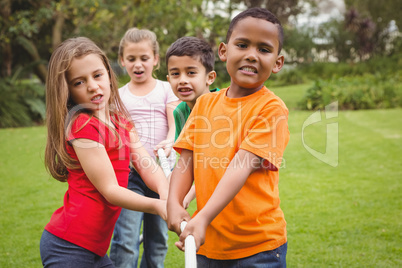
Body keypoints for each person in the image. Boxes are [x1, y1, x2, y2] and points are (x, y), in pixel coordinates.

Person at [167, 7, 289, 267]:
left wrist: (201, 218)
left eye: (264, 50)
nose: (252, 55)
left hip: (257, 248)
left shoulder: (271, 108)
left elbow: (241, 166)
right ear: (224, 51)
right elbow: (185, 162)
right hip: (207, 243)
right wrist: (174, 203)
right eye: (242, 45)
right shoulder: (204, 105)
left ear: (278, 62)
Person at [40, 37, 169, 268]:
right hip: (68, 246)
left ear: (109, 75)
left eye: (97, 75)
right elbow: (110, 190)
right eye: (79, 82)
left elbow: (145, 163)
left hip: (95, 250)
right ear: (67, 90)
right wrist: (158, 206)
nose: (92, 86)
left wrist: (167, 193)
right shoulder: (81, 125)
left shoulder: (121, 121)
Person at [110, 28, 179, 268]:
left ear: (156, 60)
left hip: (162, 173)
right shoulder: (117, 96)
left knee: (158, 239)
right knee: (126, 239)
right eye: (131, 59)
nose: (138, 65)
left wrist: (170, 140)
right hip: (129, 175)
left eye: (144, 58)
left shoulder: (166, 89)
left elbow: (174, 124)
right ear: (122, 61)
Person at [165, 36, 218, 208]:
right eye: (175, 74)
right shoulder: (180, 112)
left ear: (209, 77)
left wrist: (185, 197)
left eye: (191, 72)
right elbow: (190, 164)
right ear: (168, 79)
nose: (182, 80)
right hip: (206, 198)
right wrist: (180, 197)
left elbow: (218, 166)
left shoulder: (222, 106)